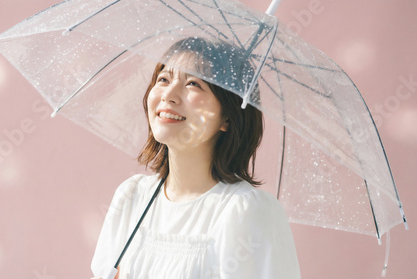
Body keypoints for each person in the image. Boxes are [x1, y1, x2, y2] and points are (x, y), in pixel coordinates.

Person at [91, 37, 300, 279]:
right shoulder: (132, 197)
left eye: (193, 83)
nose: (169, 95)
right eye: (163, 79)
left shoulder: (245, 211)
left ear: (227, 118)